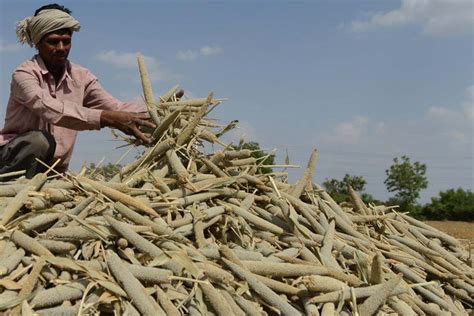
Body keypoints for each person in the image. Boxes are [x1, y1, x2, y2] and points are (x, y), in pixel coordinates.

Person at [0, 3, 155, 179]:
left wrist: (161, 111)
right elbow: (49, 108)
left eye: (66, 41)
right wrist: (106, 118)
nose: (61, 48)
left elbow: (116, 108)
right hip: (11, 162)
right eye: (52, 42)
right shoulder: (24, 74)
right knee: (39, 141)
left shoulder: (82, 77)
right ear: (37, 43)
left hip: (52, 173)